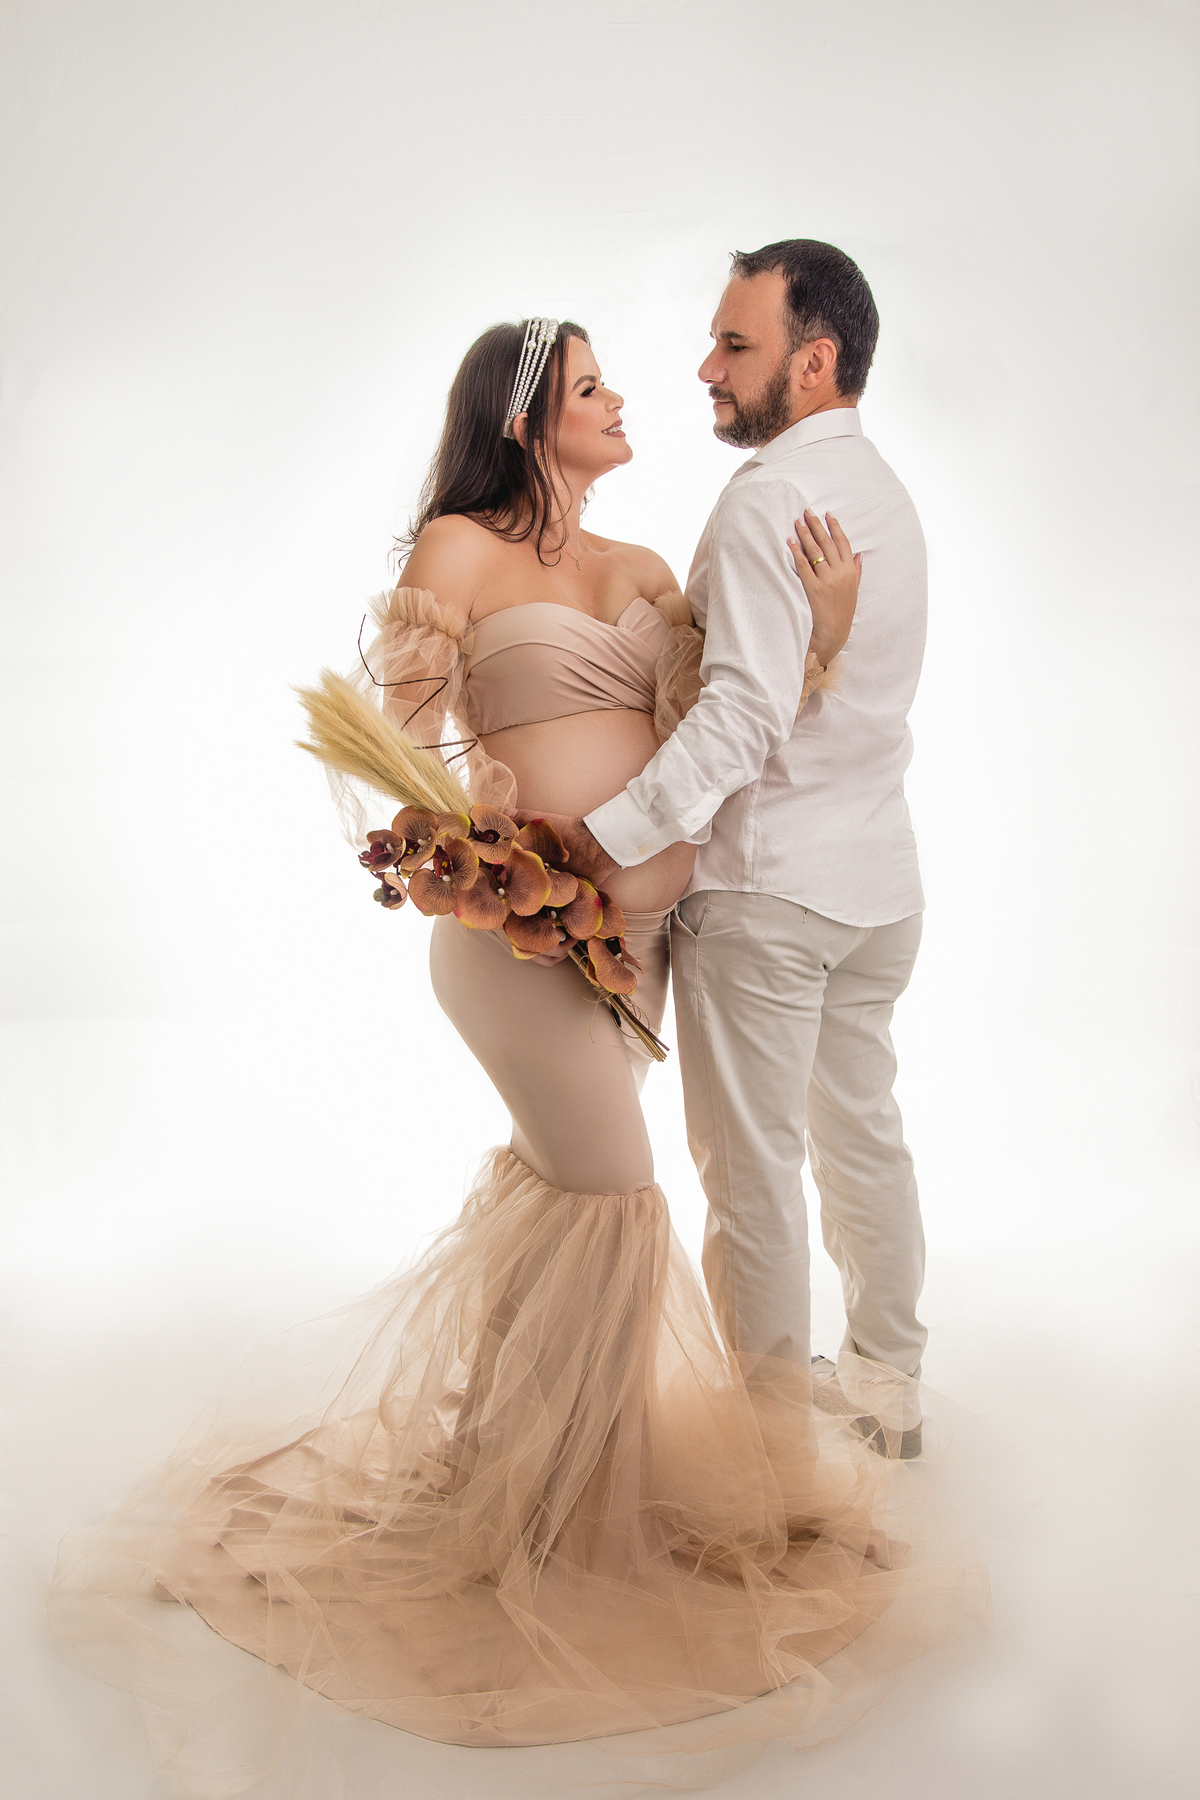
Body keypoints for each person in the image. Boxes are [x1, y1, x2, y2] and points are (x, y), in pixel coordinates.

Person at [50, 305, 981, 1786]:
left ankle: (527, 1481)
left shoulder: (647, 568)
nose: (628, 402)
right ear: (524, 413)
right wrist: (493, 849)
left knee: (569, 1199)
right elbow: (404, 755)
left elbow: (727, 730)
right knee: (618, 1195)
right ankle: (567, 1526)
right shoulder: (459, 553)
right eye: (594, 387)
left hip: (637, 948)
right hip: (521, 943)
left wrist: (823, 635)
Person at [546, 240, 931, 1458]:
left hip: (769, 896)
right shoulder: (886, 492)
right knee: (862, 1137)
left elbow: (745, 715)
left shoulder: (771, 498)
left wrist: (604, 836)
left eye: (735, 345)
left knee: (753, 1177)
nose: (706, 367)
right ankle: (888, 1381)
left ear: (814, 362)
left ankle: (767, 1467)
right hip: (877, 886)